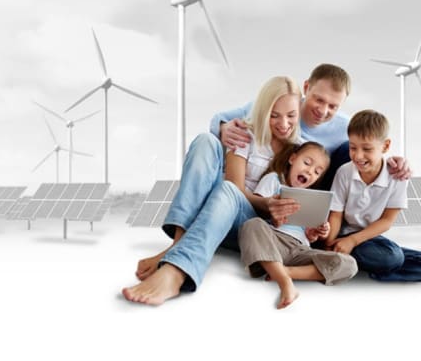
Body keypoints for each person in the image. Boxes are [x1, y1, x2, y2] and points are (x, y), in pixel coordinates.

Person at [122, 75, 303, 305]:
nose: (284, 124)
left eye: (291, 116)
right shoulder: (247, 134)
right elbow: (236, 186)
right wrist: (265, 202)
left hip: (250, 228)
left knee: (228, 191)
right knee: (206, 141)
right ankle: (178, 246)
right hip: (219, 212)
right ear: (262, 111)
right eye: (274, 115)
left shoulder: (301, 151)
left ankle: (176, 270)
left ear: (299, 112)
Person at [211, 63, 412, 191]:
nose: (323, 111)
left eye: (333, 106)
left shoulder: (346, 126)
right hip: (267, 181)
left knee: (345, 149)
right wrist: (223, 128)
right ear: (307, 88)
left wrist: (393, 163)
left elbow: (370, 149)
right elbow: (220, 118)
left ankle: (329, 222)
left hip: (313, 187)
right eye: (319, 100)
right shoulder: (279, 103)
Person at [238, 142, 358, 309]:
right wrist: (273, 216)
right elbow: (256, 209)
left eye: (317, 172)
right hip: (274, 241)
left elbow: (310, 235)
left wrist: (318, 232)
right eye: (307, 163)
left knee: (349, 264)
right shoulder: (274, 179)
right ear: (293, 159)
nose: (310, 171)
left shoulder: (312, 197)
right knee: (252, 224)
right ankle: (284, 281)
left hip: (300, 249)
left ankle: (284, 271)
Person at [325, 109, 421, 282]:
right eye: (353, 147)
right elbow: (335, 215)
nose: (358, 156)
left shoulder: (397, 177)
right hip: (344, 235)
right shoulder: (344, 172)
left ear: (385, 146)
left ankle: (370, 268)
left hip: (369, 237)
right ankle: (365, 261)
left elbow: (387, 221)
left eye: (367, 149)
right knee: (392, 257)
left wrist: (353, 242)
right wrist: (328, 246)